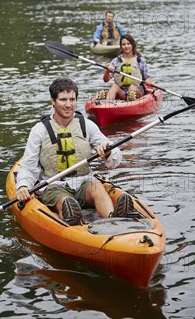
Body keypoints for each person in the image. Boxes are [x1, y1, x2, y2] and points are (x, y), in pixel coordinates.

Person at [16, 77, 134, 225]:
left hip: (84, 182)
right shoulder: (39, 130)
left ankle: (113, 219)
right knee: (66, 201)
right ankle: (73, 219)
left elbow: (116, 157)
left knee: (97, 187)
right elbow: (28, 167)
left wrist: (108, 151)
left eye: (72, 100)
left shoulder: (87, 125)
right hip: (54, 185)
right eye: (63, 100)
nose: (68, 105)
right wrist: (23, 186)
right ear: (53, 101)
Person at [102, 34, 154, 101]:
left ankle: (129, 105)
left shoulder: (140, 60)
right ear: (121, 46)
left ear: (132, 45)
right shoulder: (116, 61)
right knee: (114, 86)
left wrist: (148, 81)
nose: (126, 46)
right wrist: (107, 72)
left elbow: (147, 78)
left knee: (131, 88)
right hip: (123, 92)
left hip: (137, 90)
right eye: (123, 44)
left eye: (128, 44)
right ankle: (107, 104)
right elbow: (106, 80)